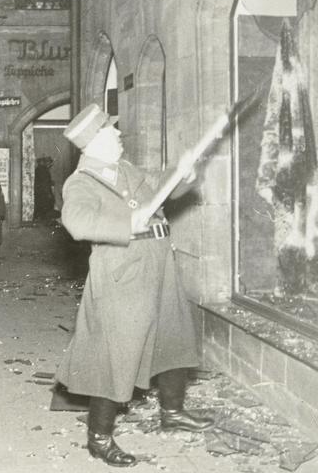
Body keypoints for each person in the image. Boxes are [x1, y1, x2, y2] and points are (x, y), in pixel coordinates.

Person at [55, 104, 213, 467]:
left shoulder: (124, 169)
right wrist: (129, 222)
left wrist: (184, 173)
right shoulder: (80, 182)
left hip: (159, 265)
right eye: (112, 131)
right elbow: (76, 221)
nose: (119, 134)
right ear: (95, 142)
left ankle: (172, 413)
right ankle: (99, 438)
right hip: (122, 275)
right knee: (116, 357)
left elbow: (162, 184)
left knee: (173, 338)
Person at [34, 156, 57, 220]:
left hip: (39, 193)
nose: (50, 165)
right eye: (49, 163)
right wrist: (49, 194)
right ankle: (46, 221)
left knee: (40, 208)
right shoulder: (44, 171)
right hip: (44, 194)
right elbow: (45, 183)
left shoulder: (37, 169)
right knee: (47, 207)